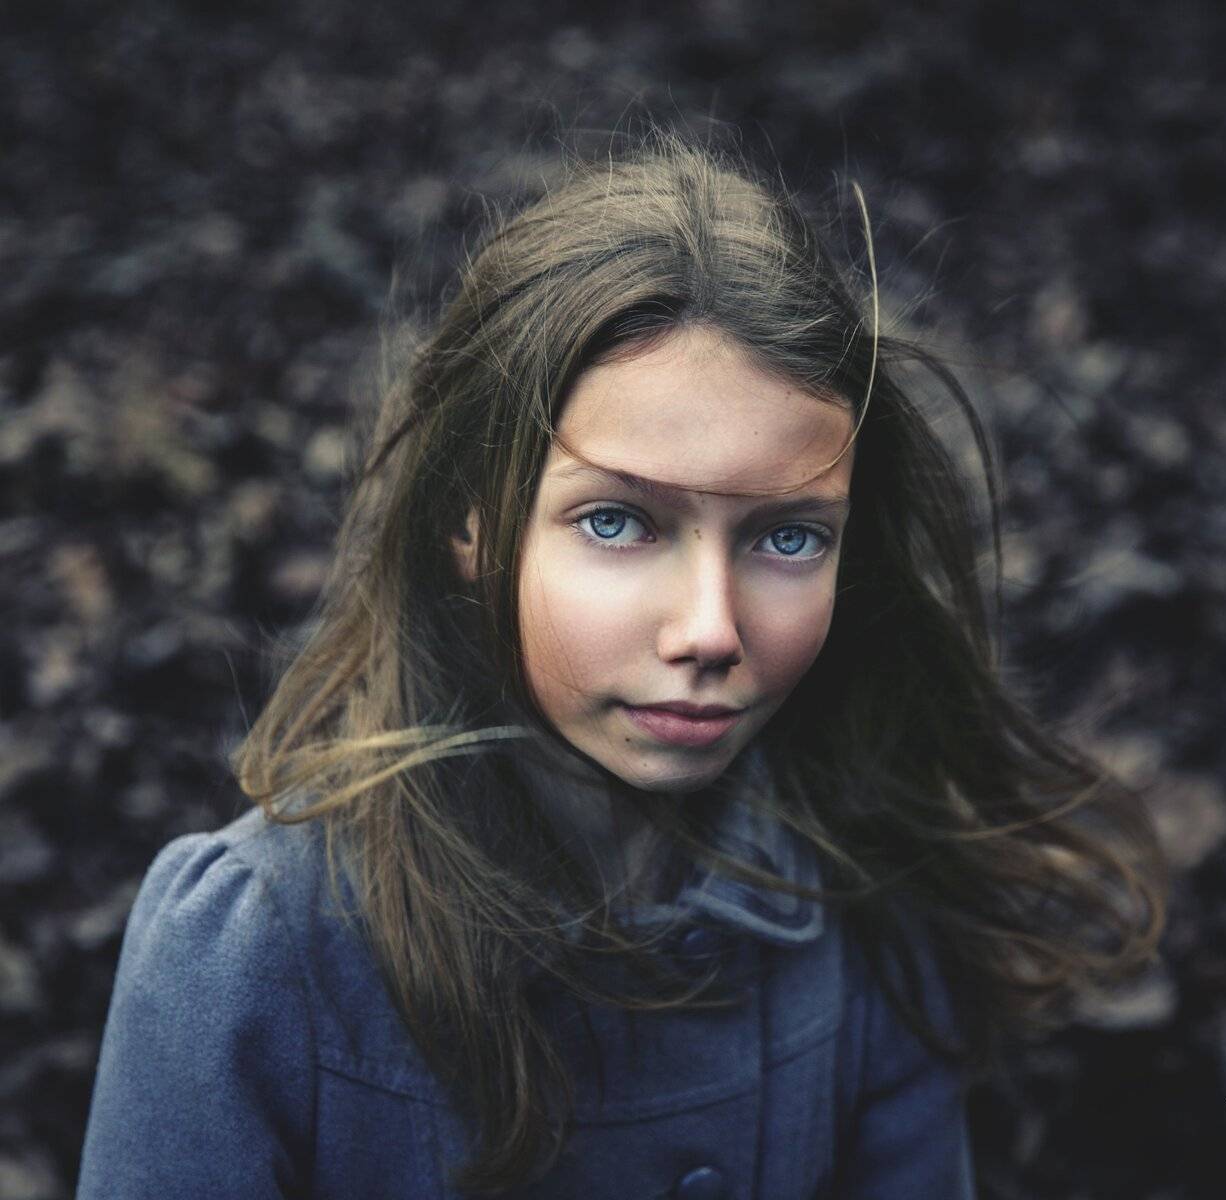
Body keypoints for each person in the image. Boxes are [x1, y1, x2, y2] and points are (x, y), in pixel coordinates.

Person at [76, 126, 1166, 1199]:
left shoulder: (867, 895)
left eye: (789, 537)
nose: (710, 629)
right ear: (472, 520)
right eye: (618, 523)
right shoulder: (257, 954)